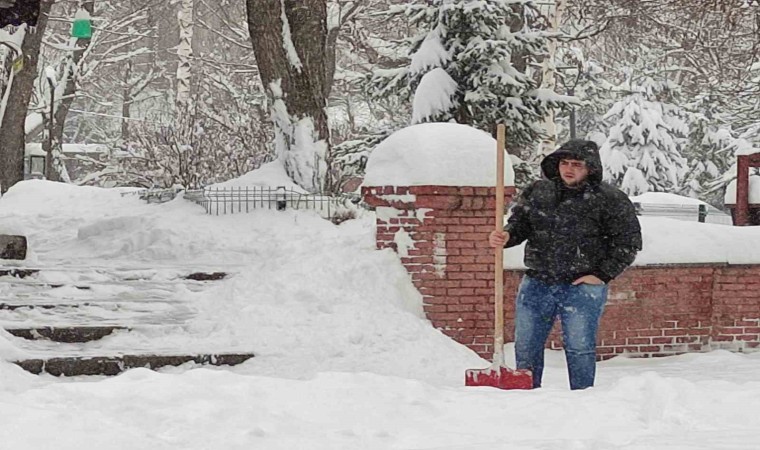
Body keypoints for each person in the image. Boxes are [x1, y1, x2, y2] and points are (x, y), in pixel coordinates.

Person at [489, 140, 642, 390]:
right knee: (526, 345)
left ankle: (581, 399)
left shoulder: (610, 199)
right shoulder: (539, 192)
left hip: (581, 286)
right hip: (538, 281)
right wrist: (507, 235)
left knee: (579, 347)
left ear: (590, 168)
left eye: (576, 164)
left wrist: (602, 275)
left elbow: (628, 242)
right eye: (564, 163)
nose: (568, 169)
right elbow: (520, 224)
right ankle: (526, 397)